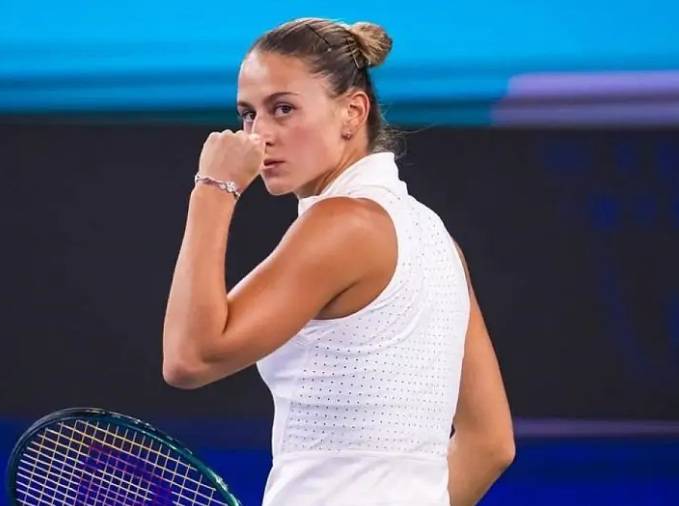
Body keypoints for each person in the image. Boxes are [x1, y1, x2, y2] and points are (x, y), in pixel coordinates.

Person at [162, 17, 514, 506]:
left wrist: (213, 189)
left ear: (352, 112)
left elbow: (189, 358)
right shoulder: (436, 237)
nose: (258, 136)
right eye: (247, 115)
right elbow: (490, 444)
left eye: (283, 109)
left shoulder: (342, 225)